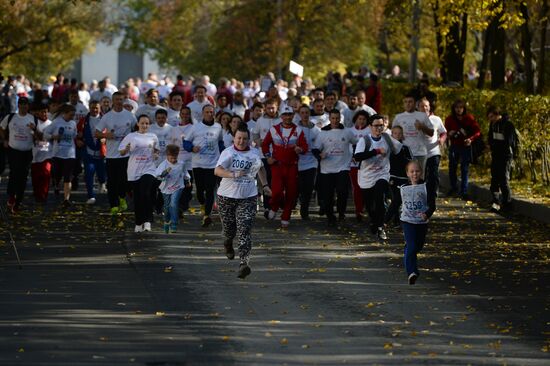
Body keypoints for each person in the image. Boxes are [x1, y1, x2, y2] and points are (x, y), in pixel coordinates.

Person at [215, 123, 270, 279]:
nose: (241, 141)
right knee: (229, 230)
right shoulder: (228, 153)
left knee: (244, 229)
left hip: (248, 197)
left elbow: (260, 168)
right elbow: (217, 170)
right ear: (234, 138)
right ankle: (227, 242)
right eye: (239, 138)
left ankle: (244, 263)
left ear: (249, 139)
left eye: (245, 139)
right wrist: (232, 174)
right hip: (226, 196)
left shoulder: (254, 153)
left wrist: (265, 185)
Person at [353, 114, 402, 240]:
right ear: (370, 126)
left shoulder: (387, 138)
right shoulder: (365, 140)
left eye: (381, 125)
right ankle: (374, 222)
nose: (379, 128)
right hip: (366, 176)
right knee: (370, 206)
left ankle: (381, 228)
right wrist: (376, 151)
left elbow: (400, 151)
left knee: (380, 197)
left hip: (382, 174)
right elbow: (357, 157)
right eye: (376, 126)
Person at [262, 105, 308, 228]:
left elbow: (305, 147)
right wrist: (268, 157)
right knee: (276, 192)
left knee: (291, 193)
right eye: (285, 115)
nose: (287, 117)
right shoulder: (274, 129)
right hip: (277, 165)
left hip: (292, 167)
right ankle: (274, 207)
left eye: (290, 115)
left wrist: (300, 149)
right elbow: (265, 145)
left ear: (293, 115)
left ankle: (286, 216)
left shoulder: (299, 130)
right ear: (281, 116)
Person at [95, 92, 137, 214]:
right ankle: (113, 205)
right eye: (117, 99)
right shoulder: (107, 117)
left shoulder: (129, 115)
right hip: (111, 155)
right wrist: (105, 135)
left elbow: (137, 129)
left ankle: (122, 198)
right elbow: (96, 133)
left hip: (126, 155)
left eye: (121, 99)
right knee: (112, 182)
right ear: (113, 101)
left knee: (124, 181)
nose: (119, 101)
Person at [183, 104, 224, 227]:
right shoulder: (195, 127)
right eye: (207, 112)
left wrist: (224, 155)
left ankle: (207, 215)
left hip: (213, 164)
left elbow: (220, 143)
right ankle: (203, 203)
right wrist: (191, 148)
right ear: (203, 114)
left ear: (214, 113)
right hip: (198, 164)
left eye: (211, 112)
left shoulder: (218, 127)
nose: (209, 114)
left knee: (210, 190)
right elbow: (185, 142)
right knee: (200, 191)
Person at [315, 109, 357, 226]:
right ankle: (330, 216)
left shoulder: (347, 132)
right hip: (327, 169)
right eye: (333, 118)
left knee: (342, 191)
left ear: (340, 118)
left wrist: (355, 155)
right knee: (328, 195)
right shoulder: (323, 133)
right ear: (329, 119)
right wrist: (320, 155)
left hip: (343, 166)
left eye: (337, 118)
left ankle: (341, 213)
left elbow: (356, 143)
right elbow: (315, 149)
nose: (335, 120)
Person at [119, 114, 159, 232]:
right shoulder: (131, 136)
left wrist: (156, 155)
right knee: (137, 198)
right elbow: (121, 152)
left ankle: (147, 221)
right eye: (142, 123)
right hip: (134, 170)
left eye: (147, 123)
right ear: (138, 124)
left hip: (149, 169)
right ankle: (138, 222)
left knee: (146, 193)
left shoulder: (153, 136)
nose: (144, 125)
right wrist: (126, 149)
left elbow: (156, 151)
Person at [400, 160, 435, 285]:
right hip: (407, 221)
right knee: (412, 246)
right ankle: (412, 272)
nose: (415, 174)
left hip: (421, 222)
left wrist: (427, 214)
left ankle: (408, 251)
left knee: (417, 247)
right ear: (407, 173)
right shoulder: (403, 188)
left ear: (421, 172)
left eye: (417, 171)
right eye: (412, 171)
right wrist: (385, 221)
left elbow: (433, 205)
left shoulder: (426, 186)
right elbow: (395, 204)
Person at [0, 97, 37, 213]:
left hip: (27, 151)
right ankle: (11, 196)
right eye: (21, 104)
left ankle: (18, 201)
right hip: (13, 150)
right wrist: (4, 139)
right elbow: (1, 128)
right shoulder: (11, 117)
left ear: (28, 106)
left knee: (23, 176)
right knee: (14, 172)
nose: (24, 107)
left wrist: (35, 129)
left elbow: (39, 136)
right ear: (18, 106)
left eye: (26, 105)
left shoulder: (33, 118)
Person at [445, 99, 481, 199]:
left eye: (461, 108)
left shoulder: (469, 118)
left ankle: (464, 191)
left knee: (464, 169)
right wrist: (449, 133)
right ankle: (453, 188)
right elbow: (444, 132)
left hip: (465, 146)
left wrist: (471, 139)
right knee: (452, 168)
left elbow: (477, 131)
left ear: (464, 108)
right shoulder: (449, 119)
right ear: (454, 109)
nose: (459, 110)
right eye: (457, 108)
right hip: (454, 146)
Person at [43, 104, 78, 207]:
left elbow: (74, 135)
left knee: (68, 177)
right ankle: (56, 184)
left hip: (70, 154)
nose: (72, 117)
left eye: (73, 115)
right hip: (58, 154)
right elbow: (45, 134)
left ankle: (66, 199)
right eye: (71, 115)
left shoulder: (73, 123)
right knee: (57, 175)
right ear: (64, 113)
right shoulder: (56, 122)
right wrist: (54, 136)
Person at [392, 94, 434, 173]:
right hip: (404, 153)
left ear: (415, 104)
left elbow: (431, 133)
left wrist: (422, 127)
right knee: (405, 178)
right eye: (406, 102)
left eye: (410, 102)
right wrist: (398, 137)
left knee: (419, 179)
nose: (408, 104)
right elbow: (393, 135)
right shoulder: (398, 117)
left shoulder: (422, 116)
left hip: (420, 153)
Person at [417, 97, 446, 211]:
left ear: (429, 107)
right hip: (419, 153)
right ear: (417, 108)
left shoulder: (436, 119)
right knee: (421, 178)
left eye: (426, 106)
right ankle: (422, 200)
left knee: (433, 176)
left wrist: (442, 140)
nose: (424, 108)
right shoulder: (414, 120)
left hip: (433, 152)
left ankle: (432, 200)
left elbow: (443, 132)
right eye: (421, 106)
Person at [487, 105, 517, 211]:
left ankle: (507, 203)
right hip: (496, 155)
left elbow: (509, 142)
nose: (490, 120)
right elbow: (490, 137)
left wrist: (496, 146)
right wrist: (491, 145)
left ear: (497, 115)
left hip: (505, 156)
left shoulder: (508, 125)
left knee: (504, 179)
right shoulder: (493, 124)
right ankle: (495, 201)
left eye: (492, 117)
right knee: (494, 178)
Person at [155, 144, 190, 233]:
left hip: (178, 187)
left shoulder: (181, 164)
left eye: (175, 158)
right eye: (171, 158)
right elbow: (158, 176)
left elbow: (185, 173)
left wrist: (188, 180)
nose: (173, 160)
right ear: (167, 156)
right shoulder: (163, 164)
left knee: (174, 204)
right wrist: (165, 173)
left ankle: (174, 224)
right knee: (166, 207)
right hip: (166, 188)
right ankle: (167, 221)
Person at [384, 125, 412, 227]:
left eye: (400, 133)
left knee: (399, 200)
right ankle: (389, 220)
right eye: (395, 133)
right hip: (392, 177)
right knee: (395, 199)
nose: (397, 135)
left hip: (404, 177)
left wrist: (410, 176)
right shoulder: (388, 148)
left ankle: (393, 220)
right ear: (392, 135)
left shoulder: (405, 148)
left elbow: (411, 162)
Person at [79, 100, 106, 204]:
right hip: (88, 152)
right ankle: (91, 196)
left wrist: (106, 139)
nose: (94, 110)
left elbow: (111, 132)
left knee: (102, 175)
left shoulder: (105, 119)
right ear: (89, 108)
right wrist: (78, 140)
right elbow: (78, 134)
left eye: (96, 108)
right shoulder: (83, 120)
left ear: (100, 108)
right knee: (89, 173)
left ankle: (102, 182)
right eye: (92, 107)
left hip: (101, 152)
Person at [169, 106, 194, 214]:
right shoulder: (174, 129)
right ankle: (179, 206)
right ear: (180, 115)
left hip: (190, 162)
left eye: (187, 114)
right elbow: (172, 145)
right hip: (178, 161)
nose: (185, 116)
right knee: (178, 185)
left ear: (190, 115)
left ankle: (184, 204)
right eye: (183, 113)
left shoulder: (194, 128)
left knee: (188, 185)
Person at [296, 105, 319, 220]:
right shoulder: (295, 128)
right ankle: (300, 201)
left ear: (309, 114)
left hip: (312, 161)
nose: (305, 115)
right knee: (300, 186)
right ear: (299, 114)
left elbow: (320, 144)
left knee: (309, 186)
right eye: (302, 112)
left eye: (307, 113)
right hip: (299, 161)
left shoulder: (316, 129)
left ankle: (304, 210)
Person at [349, 110, 370, 221]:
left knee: (366, 187)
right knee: (356, 188)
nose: (361, 121)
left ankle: (368, 208)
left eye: (364, 119)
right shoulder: (350, 131)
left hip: (366, 164)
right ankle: (359, 211)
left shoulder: (369, 131)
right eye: (359, 119)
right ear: (355, 119)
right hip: (353, 164)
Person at [30, 103, 52, 203]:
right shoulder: (34, 123)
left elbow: (48, 137)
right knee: (36, 177)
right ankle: (37, 194)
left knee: (46, 174)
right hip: (35, 154)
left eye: (46, 112)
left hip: (47, 154)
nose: (44, 114)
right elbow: (35, 137)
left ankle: (44, 195)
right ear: (37, 113)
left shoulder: (51, 124)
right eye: (42, 112)